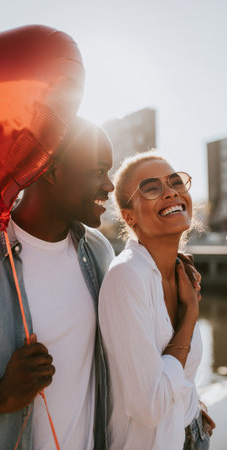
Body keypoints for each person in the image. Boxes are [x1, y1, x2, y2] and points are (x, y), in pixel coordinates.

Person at [0, 117, 115, 450]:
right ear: (51, 170)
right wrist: (0, 396)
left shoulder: (99, 251)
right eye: (98, 170)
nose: (109, 185)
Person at [99, 151, 215, 450]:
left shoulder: (179, 274)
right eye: (152, 187)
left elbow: (176, 372)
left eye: (175, 182)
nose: (171, 192)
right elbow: (149, 408)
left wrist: (192, 404)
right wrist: (189, 315)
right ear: (129, 215)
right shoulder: (126, 277)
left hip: (193, 432)